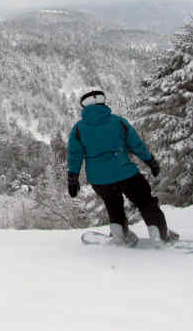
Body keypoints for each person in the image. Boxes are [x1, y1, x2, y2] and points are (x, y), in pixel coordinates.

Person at [66, 90, 178, 245]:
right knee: (145, 201)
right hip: (125, 173)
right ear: (103, 103)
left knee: (113, 205)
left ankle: (120, 237)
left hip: (99, 179)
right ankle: (159, 235)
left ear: (84, 107)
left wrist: (72, 178)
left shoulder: (78, 129)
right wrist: (150, 161)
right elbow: (136, 144)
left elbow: (74, 155)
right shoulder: (118, 121)